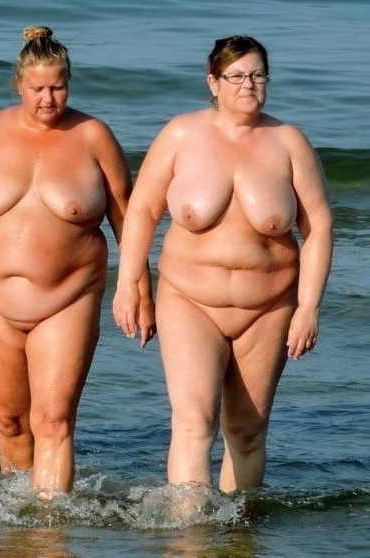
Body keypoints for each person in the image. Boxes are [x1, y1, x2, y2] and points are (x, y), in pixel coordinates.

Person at [0, 25, 155, 498]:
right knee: (11, 422)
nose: (48, 99)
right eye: (37, 89)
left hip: (68, 298)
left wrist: (139, 289)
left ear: (69, 83)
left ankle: (50, 526)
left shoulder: (93, 135)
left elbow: (127, 219)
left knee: (53, 419)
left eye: (58, 87)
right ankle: (17, 525)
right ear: (18, 84)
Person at [113, 35, 332, 494]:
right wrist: (130, 283)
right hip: (190, 300)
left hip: (268, 306)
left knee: (246, 431)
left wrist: (308, 308)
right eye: (236, 76)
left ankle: (241, 528)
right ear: (213, 83)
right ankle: (190, 525)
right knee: (194, 422)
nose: (248, 84)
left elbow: (318, 228)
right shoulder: (181, 134)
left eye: (257, 75)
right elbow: (143, 210)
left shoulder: (289, 142)